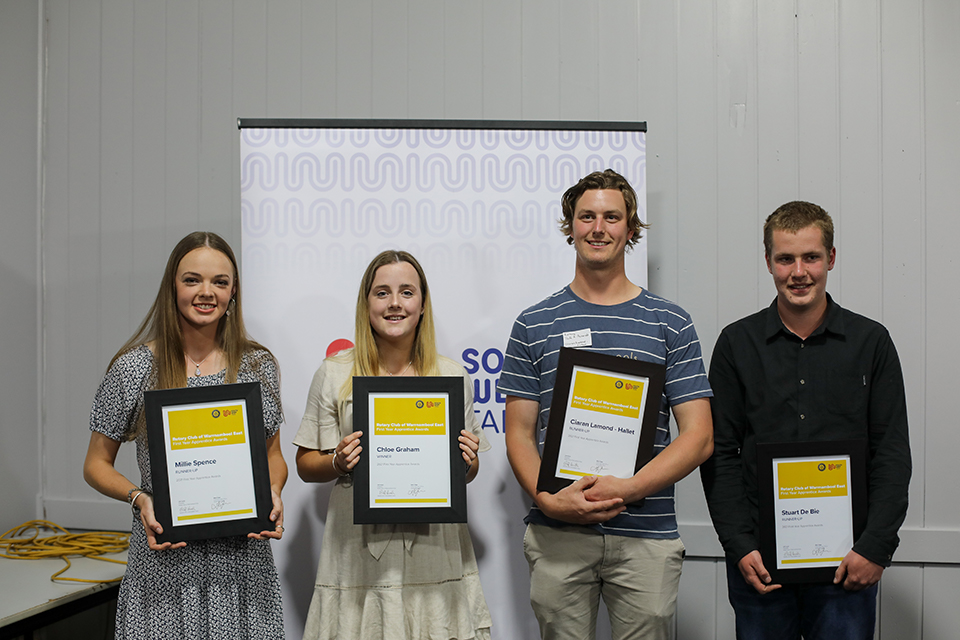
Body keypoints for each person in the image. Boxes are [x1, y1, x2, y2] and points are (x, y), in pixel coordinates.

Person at [498, 169, 714, 640]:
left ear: (631, 229)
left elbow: (699, 436)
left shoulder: (670, 321)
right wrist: (548, 500)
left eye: (612, 217)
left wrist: (630, 487)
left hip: (647, 535)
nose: (599, 228)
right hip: (559, 534)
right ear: (570, 227)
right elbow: (517, 432)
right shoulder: (534, 323)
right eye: (587, 216)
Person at [700, 201, 911, 639]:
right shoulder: (736, 344)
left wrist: (875, 547)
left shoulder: (871, 343)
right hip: (760, 563)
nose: (799, 272)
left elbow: (890, 451)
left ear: (830, 258)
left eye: (811, 257)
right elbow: (719, 453)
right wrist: (740, 546)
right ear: (768, 262)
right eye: (785, 259)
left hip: (846, 564)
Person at [83, 232, 288, 639]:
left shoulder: (258, 364)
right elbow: (95, 464)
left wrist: (275, 490)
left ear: (233, 292)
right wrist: (141, 499)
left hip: (242, 563)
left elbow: (274, 455)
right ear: (172, 287)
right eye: (192, 279)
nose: (206, 292)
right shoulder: (133, 368)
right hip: (165, 566)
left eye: (220, 282)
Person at [293, 250, 492, 640]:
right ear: (366, 303)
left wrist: (466, 462)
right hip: (356, 550)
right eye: (382, 293)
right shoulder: (334, 372)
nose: (395, 303)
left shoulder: (451, 375)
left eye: (406, 292)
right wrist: (337, 460)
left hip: (435, 546)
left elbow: (468, 472)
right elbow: (304, 463)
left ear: (422, 304)